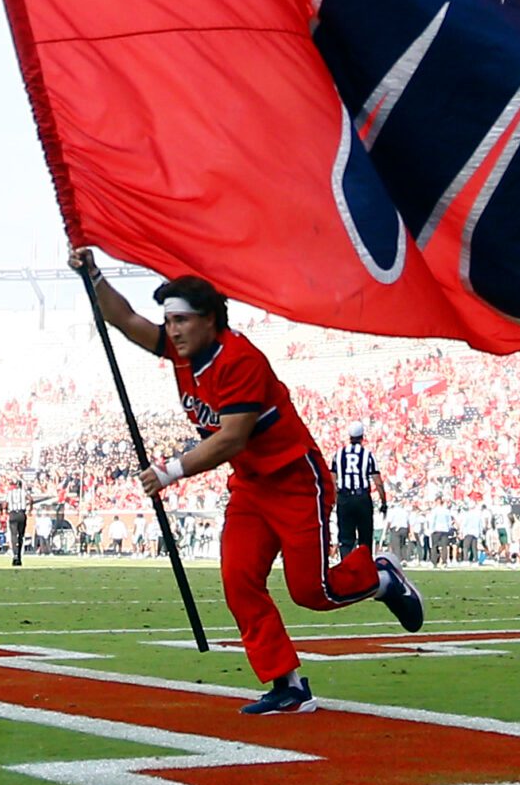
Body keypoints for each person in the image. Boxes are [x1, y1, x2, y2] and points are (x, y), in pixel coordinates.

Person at [77, 250, 422, 714]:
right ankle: (287, 683)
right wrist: (93, 274)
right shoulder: (184, 354)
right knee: (239, 579)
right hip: (252, 486)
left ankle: (380, 577)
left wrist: (168, 471)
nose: (172, 330)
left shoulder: (239, 360)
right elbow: (123, 319)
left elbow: (231, 439)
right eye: (169, 321)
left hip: (296, 481)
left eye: (181, 320)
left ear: (209, 320)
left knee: (312, 593)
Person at [331, 424, 385, 559]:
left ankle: (346, 569)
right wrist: (384, 502)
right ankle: (364, 571)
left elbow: (332, 480)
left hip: (344, 497)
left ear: (350, 437)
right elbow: (377, 481)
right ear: (362, 437)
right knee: (365, 538)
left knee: (346, 538)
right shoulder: (367, 455)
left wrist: (336, 500)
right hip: (362, 499)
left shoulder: (339, 454)